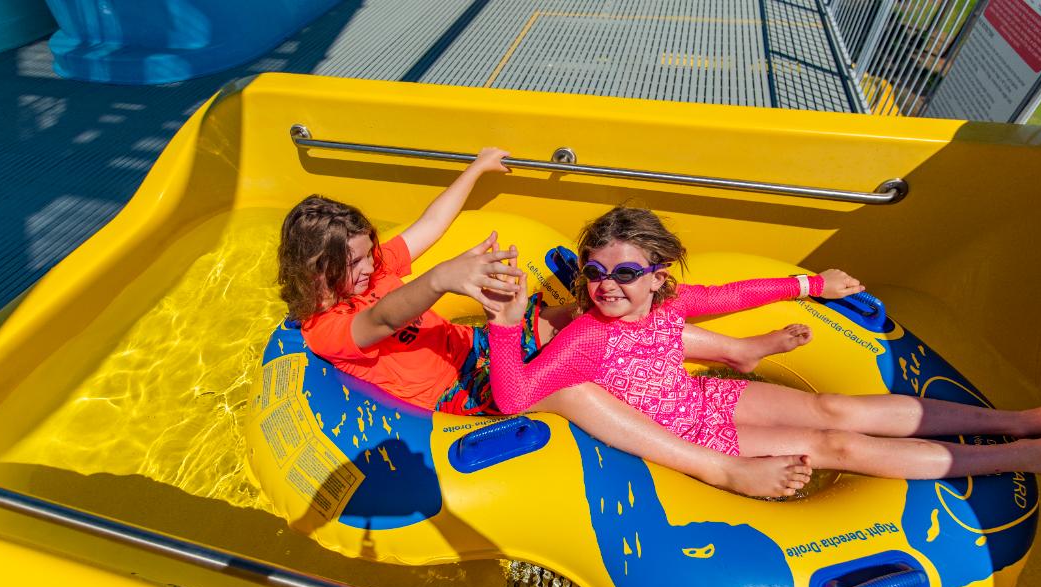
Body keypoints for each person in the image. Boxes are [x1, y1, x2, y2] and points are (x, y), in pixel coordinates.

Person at [277, 149, 816, 496]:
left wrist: (477, 167)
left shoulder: (374, 272)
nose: (373, 265)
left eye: (371, 252)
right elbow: (384, 318)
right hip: (460, 393)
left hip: (477, 347)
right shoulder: (325, 329)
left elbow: (430, 223)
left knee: (591, 312)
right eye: (356, 261)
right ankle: (715, 467)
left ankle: (730, 351)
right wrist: (442, 279)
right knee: (573, 391)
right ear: (315, 269)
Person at [486, 206, 1041, 488]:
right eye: (595, 274)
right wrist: (507, 323)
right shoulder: (583, 337)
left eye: (624, 274)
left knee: (836, 408)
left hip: (709, 398)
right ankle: (1038, 457)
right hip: (699, 439)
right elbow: (515, 396)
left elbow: (739, 292)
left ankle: (1023, 420)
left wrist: (815, 283)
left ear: (657, 274)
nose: (607, 287)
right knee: (835, 446)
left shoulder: (675, 302)